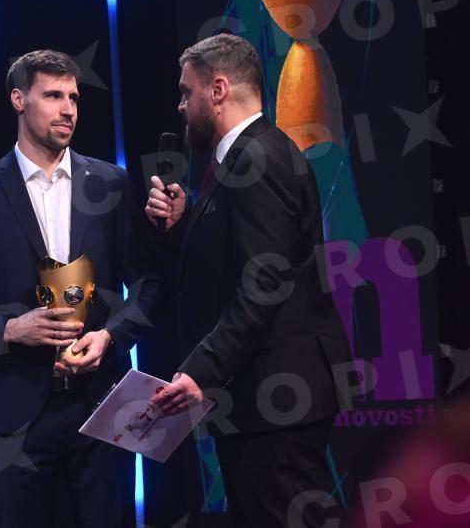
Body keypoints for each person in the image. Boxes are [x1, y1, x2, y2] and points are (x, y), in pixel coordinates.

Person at [0, 49, 162, 527]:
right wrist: (9, 330)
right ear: (18, 99)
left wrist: (110, 336)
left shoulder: (111, 183)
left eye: (73, 98)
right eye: (53, 95)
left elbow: (149, 285)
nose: (68, 109)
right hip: (13, 415)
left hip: (100, 406)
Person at [146, 34, 351, 527]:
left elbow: (265, 283)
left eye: (186, 91)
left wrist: (202, 370)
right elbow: (238, 261)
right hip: (261, 400)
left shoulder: (259, 159)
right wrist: (182, 228)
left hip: (278, 401)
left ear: (217, 89)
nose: (180, 105)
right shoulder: (242, 158)